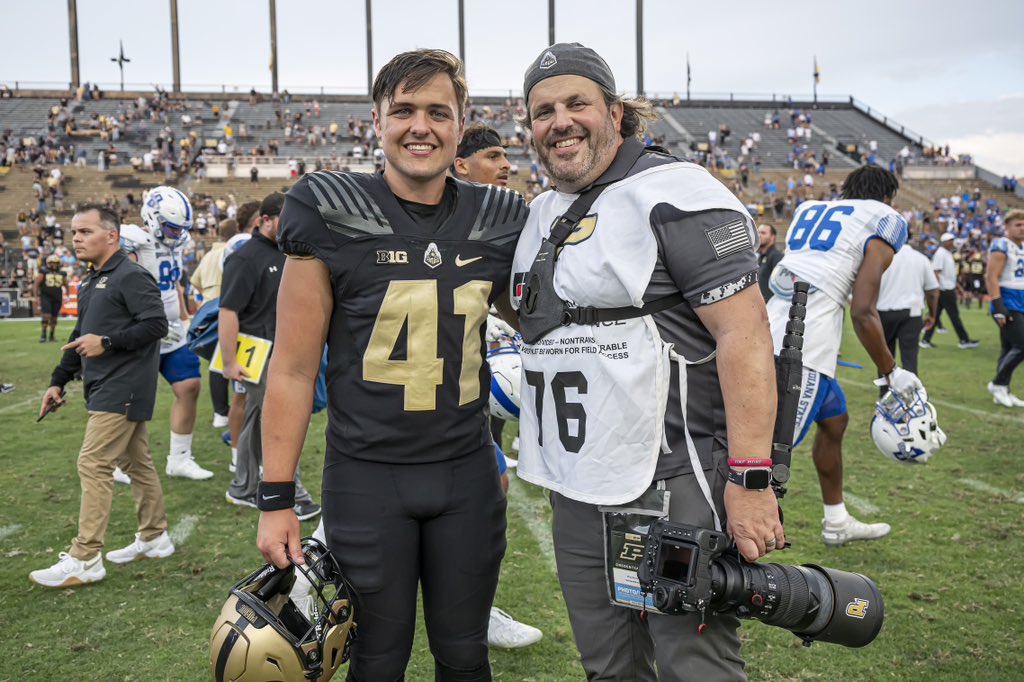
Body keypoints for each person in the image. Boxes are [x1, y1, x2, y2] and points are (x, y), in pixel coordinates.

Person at [511, 43, 782, 681]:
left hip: (670, 479)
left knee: (696, 662)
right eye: (543, 110)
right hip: (576, 481)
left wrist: (749, 479)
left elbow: (746, 337)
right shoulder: (540, 212)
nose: (560, 121)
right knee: (607, 666)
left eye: (577, 102)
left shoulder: (675, 192)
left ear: (615, 111)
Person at [257, 49, 526, 680]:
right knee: (376, 661)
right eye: (402, 110)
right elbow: (293, 369)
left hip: (467, 473)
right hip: (366, 477)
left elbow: (551, 324)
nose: (420, 126)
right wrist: (274, 499)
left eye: (438, 112)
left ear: (461, 126)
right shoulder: (327, 208)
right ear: (376, 119)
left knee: (465, 657)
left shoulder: (501, 217)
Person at [766, 165, 925, 547]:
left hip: (770, 322)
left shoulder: (809, 208)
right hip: (804, 347)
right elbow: (863, 311)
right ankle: (721, 548)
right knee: (767, 461)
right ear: (888, 197)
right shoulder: (885, 218)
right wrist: (891, 371)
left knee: (834, 421)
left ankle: (836, 521)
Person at [30, 205, 174, 588]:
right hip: (102, 384)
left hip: (123, 387)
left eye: (85, 231)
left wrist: (108, 342)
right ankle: (155, 536)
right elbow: (81, 335)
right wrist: (58, 381)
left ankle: (85, 556)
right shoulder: (91, 279)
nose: (75, 238)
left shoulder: (131, 276)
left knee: (92, 463)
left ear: (111, 235)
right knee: (137, 464)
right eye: (74, 232)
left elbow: (157, 324)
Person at [452, 123, 542, 650]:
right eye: (493, 155)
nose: (507, 164)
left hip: (470, 392)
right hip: (411, 393)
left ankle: (477, 609)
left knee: (492, 489)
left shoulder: (500, 223)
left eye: (508, 155)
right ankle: (310, 581)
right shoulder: (431, 221)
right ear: (460, 165)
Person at [220, 192, 319, 519]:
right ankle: (296, 495)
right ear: (264, 220)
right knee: (280, 423)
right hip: (259, 352)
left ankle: (243, 486)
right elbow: (229, 311)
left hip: (280, 350)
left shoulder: (286, 252)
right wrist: (230, 360)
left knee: (257, 420)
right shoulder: (246, 257)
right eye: (284, 219)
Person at [119, 186, 213, 482]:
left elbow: (175, 286)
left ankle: (179, 459)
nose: (176, 233)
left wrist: (184, 318)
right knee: (127, 398)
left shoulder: (175, 243)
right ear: (153, 216)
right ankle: (116, 461)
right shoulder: (132, 238)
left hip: (171, 332)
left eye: (181, 228)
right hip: (139, 330)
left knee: (189, 386)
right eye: (172, 227)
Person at [189, 217, 238, 428]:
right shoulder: (234, 250)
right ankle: (232, 409)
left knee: (216, 362)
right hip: (227, 309)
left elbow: (195, 282)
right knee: (231, 359)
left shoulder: (208, 255)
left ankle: (220, 411)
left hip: (208, 311)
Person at [876, 236, 940, 395]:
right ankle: (910, 398)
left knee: (884, 358)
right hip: (911, 313)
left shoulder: (879, 256)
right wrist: (932, 315)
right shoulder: (920, 258)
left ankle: (885, 395)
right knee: (909, 358)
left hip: (882, 312)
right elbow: (932, 291)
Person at [985, 209, 1024, 407]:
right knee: (1022, 345)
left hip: (1021, 299)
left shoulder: (1022, 246)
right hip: (1007, 300)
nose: (1022, 228)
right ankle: (998, 384)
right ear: (1007, 227)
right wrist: (998, 305)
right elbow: (991, 277)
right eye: (1017, 224)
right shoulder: (1001, 245)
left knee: (1008, 347)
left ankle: (1004, 390)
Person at [920, 232, 979, 349]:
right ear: (945, 242)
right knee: (954, 315)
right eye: (950, 240)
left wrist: (958, 287)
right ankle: (964, 340)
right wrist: (937, 289)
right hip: (944, 289)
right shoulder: (941, 253)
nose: (952, 242)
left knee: (935, 316)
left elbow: (948, 275)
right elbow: (936, 272)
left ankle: (925, 340)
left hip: (947, 288)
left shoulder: (946, 253)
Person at [33, 254, 68, 342]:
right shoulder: (43, 271)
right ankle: (43, 335)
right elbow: (36, 284)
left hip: (57, 297)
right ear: (48, 263)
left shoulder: (62, 273)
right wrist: (36, 297)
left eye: (56, 263)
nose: (54, 265)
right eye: (52, 263)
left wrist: (68, 295)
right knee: (46, 316)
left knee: (54, 318)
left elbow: (66, 284)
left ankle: (52, 336)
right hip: (46, 297)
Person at [756, 222, 783, 301]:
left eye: (763, 233)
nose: (759, 235)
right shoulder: (760, 257)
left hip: (771, 307)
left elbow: (780, 283)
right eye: (758, 233)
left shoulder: (776, 256)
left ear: (772, 237)